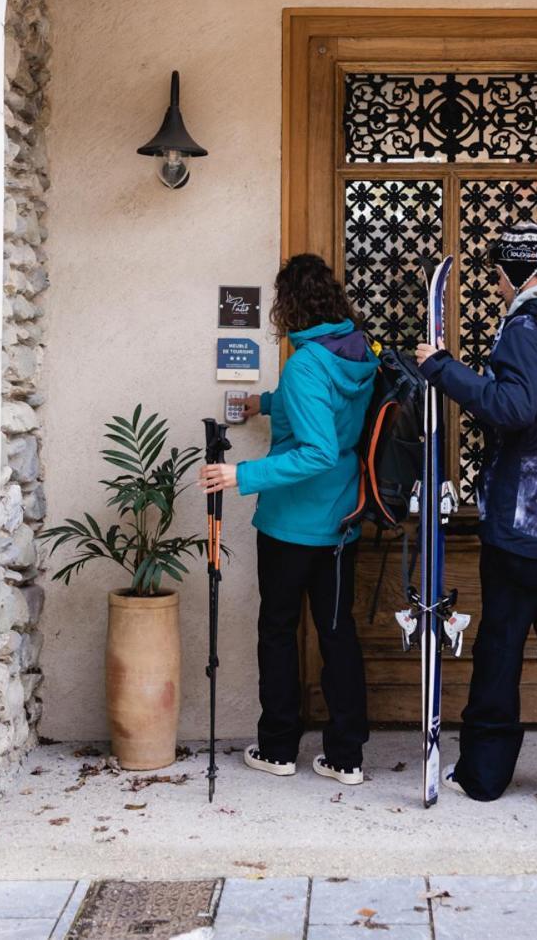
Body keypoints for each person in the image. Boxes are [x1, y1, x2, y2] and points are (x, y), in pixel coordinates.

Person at [415, 222, 537, 811]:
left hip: (524, 521)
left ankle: (484, 777)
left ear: (514, 274)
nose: (497, 286)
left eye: (499, 275)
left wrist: (443, 367)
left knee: (500, 650)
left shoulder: (526, 327)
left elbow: (513, 407)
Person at [200, 254, 378, 786]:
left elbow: (318, 448)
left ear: (288, 304)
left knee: (277, 631)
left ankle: (278, 747)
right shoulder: (355, 351)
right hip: (341, 518)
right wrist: (266, 403)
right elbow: (326, 411)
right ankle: (346, 757)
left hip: (291, 524)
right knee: (336, 632)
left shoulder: (305, 362)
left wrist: (241, 476)